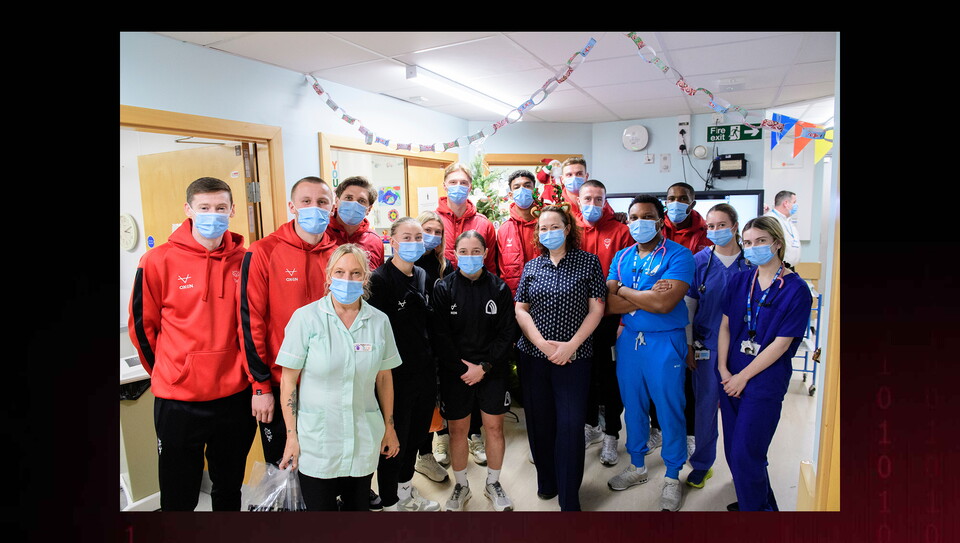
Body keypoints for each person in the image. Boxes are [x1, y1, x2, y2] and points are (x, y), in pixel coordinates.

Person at [128, 177, 256, 511]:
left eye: (220, 208)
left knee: (229, 489)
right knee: (178, 494)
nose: (213, 214)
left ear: (231, 211)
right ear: (188, 210)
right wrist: (168, 372)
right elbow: (143, 327)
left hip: (234, 397)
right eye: (204, 208)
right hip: (179, 400)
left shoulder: (247, 260)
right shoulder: (157, 261)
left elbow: (253, 325)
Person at [275, 244, 401, 511]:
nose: (347, 279)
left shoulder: (378, 322)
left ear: (366, 278)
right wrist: (291, 436)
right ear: (329, 275)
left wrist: (389, 428)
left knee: (358, 513)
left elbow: (384, 379)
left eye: (356, 273)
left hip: (362, 436)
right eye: (340, 272)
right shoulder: (306, 319)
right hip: (317, 441)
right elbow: (288, 382)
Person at [239, 176, 337, 467]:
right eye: (306, 202)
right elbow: (251, 321)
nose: (314, 208)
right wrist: (260, 387)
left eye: (322, 202)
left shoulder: (338, 254)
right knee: (283, 471)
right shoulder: (263, 251)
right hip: (281, 384)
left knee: (325, 468)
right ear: (292, 206)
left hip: (328, 383)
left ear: (332, 207)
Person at [604, 194, 695, 512]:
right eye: (633, 217)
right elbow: (609, 305)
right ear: (627, 222)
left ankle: (672, 475)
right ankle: (638, 465)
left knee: (670, 409)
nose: (639, 222)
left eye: (647, 216)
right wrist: (647, 294)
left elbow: (665, 304)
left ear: (660, 220)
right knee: (633, 407)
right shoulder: (621, 256)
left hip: (665, 342)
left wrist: (626, 291)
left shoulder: (680, 256)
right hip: (630, 341)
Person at [717, 216, 812, 512]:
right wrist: (722, 368)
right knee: (736, 452)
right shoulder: (740, 280)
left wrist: (742, 377)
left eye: (761, 241)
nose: (753, 247)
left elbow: (781, 344)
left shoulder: (796, 290)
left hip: (762, 380)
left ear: (777, 244)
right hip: (729, 373)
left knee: (748, 452)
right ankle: (759, 505)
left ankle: (755, 512)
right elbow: (725, 326)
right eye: (747, 243)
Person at [515, 205, 606, 511]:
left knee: (569, 425)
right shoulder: (532, 267)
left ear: (567, 229)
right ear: (537, 233)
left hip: (574, 357)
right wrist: (540, 342)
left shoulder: (588, 263)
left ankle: (569, 496)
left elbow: (597, 308)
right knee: (540, 423)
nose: (549, 232)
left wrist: (571, 345)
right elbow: (520, 309)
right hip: (534, 356)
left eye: (555, 226)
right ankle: (547, 482)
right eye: (543, 228)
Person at [432, 231, 518, 511]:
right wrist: (461, 368)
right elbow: (440, 336)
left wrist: (485, 367)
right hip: (456, 372)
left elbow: (508, 333)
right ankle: (461, 485)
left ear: (485, 252)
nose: (470, 257)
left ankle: (493, 483)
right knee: (458, 430)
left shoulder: (499, 288)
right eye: (464, 251)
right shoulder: (444, 288)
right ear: (455, 254)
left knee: (494, 428)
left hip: (491, 369)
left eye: (476, 251)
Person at [368, 217, 442, 511]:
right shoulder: (380, 280)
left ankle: (405, 491)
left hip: (423, 371)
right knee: (394, 441)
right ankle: (389, 500)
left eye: (418, 237)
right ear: (392, 240)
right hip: (393, 376)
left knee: (416, 436)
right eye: (406, 237)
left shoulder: (422, 275)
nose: (413, 243)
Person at [681, 203, 754, 490]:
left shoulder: (750, 262)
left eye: (721, 225)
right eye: (710, 226)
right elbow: (689, 305)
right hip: (705, 346)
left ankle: (742, 468)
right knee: (705, 408)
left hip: (743, 350)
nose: (715, 231)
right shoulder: (700, 261)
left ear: (735, 226)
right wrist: (688, 344)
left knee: (741, 411)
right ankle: (702, 465)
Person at [576, 180, 633, 467]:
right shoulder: (570, 230)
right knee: (583, 376)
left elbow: (627, 279)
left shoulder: (621, 231)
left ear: (606, 200)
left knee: (610, 379)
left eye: (599, 199)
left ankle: (612, 432)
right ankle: (591, 426)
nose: (593, 204)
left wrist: (622, 320)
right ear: (578, 200)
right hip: (577, 320)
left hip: (610, 320)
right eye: (588, 198)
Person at [655, 181, 711, 458]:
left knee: (687, 381)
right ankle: (657, 429)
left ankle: (689, 433)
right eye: (670, 197)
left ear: (692, 203)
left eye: (682, 198)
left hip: (692, 313)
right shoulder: (654, 227)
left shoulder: (706, 234)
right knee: (656, 376)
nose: (675, 203)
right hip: (657, 313)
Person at [411, 211, 455, 483]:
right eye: (428, 230)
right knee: (424, 399)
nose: (433, 236)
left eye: (438, 232)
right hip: (418, 343)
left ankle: (442, 439)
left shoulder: (444, 266)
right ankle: (423, 454)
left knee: (442, 393)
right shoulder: (407, 264)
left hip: (441, 339)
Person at [436, 162, 497, 274]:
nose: (458, 186)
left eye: (463, 183)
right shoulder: (433, 221)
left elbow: (490, 265)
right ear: (445, 186)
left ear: (470, 187)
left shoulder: (484, 224)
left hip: (476, 287)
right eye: (453, 182)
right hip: (440, 286)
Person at [496, 169, 540, 297]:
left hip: (546, 298)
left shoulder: (547, 225)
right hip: (514, 298)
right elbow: (500, 269)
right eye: (517, 187)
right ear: (510, 195)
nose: (522, 190)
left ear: (535, 191)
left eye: (527, 186)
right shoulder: (504, 229)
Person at [327, 176, 385, 270]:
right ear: (337, 201)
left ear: (369, 209)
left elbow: (378, 280)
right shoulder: (321, 234)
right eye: (349, 198)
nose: (354, 204)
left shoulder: (375, 241)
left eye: (361, 201)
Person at [763, 190, 801, 267]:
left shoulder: (788, 220)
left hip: (789, 267)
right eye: (794, 202)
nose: (796, 205)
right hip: (776, 267)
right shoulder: (770, 219)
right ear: (786, 203)